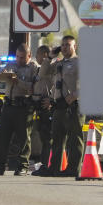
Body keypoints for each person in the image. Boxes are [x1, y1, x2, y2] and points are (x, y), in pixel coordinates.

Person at [33, 35, 81, 177]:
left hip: (73, 105)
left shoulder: (80, 63)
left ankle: (72, 169)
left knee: (74, 139)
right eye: (63, 45)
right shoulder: (59, 64)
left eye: (68, 44)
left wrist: (74, 96)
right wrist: (50, 57)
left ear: (75, 46)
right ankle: (54, 168)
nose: (65, 47)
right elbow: (42, 74)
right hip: (59, 106)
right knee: (57, 139)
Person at [0, 44, 41, 176]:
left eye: (22, 57)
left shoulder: (33, 67)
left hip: (23, 107)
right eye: (18, 56)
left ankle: (23, 166)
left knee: (24, 139)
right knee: (2, 138)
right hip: (8, 106)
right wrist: (2, 76)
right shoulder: (11, 65)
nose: (19, 59)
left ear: (29, 56)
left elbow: (33, 88)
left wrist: (18, 81)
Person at [31, 45, 55, 166]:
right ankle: (44, 164)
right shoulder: (39, 69)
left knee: (47, 138)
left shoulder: (51, 69)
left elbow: (57, 86)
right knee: (42, 137)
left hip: (47, 108)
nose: (36, 56)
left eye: (38, 54)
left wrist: (51, 100)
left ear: (45, 55)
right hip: (39, 108)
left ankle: (47, 165)